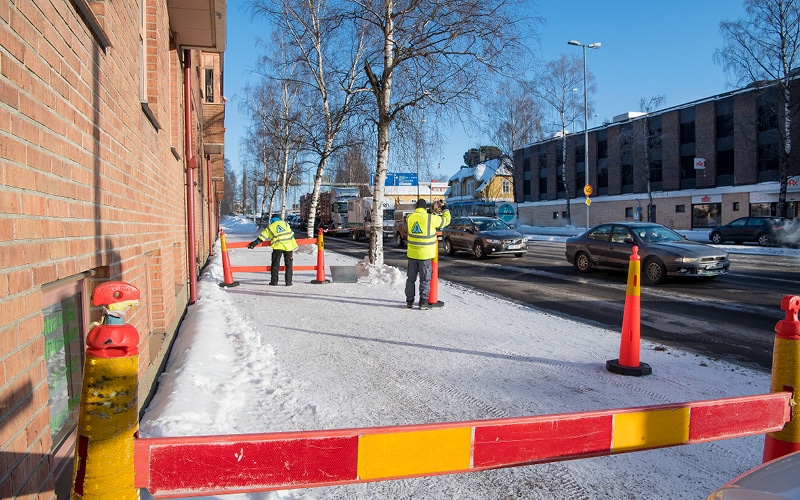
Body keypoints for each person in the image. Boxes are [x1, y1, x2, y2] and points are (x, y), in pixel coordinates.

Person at [405, 199, 451, 310]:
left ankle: (409, 302)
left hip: (412, 254)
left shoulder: (410, 218)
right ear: (425, 208)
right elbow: (446, 220)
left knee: (410, 279)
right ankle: (423, 302)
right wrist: (445, 208)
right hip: (425, 255)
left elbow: (419, 221)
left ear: (416, 207)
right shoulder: (431, 218)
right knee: (425, 279)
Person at [247, 216, 298, 286]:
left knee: (275, 264)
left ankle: (274, 282)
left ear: (272, 220)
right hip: (288, 247)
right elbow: (292, 235)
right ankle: (288, 282)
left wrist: (253, 244)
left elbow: (262, 237)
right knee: (289, 265)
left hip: (278, 247)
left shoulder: (270, 227)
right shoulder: (285, 224)